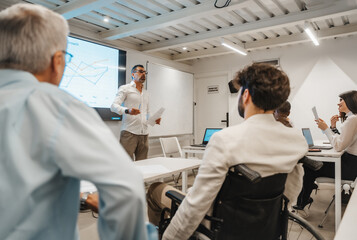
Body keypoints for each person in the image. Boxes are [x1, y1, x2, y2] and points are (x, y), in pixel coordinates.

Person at [0, 4, 155, 240]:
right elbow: (125, 189)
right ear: (57, 60)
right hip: (129, 131)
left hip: (143, 131)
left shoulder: (147, 92)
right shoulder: (56, 105)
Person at [147, 63, 308, 240]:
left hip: (218, 225)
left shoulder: (225, 139)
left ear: (246, 95)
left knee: (155, 189)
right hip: (265, 227)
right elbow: (291, 191)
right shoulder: (296, 141)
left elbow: (196, 205)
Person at [296, 90, 357, 209]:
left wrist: (326, 129)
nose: (338, 104)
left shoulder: (352, 119)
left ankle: (302, 202)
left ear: (350, 102)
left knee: (309, 167)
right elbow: (343, 140)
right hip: (351, 163)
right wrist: (332, 127)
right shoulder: (352, 118)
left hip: (350, 166)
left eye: (341, 100)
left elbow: (339, 146)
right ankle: (305, 194)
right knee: (313, 166)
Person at [111, 65, 161, 161]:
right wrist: (127, 110)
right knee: (126, 164)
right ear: (133, 74)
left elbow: (147, 112)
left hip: (144, 134)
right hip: (129, 132)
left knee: (143, 165)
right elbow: (113, 106)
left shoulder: (146, 93)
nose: (143, 74)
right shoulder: (125, 88)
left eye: (145, 72)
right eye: (140, 71)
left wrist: (153, 120)